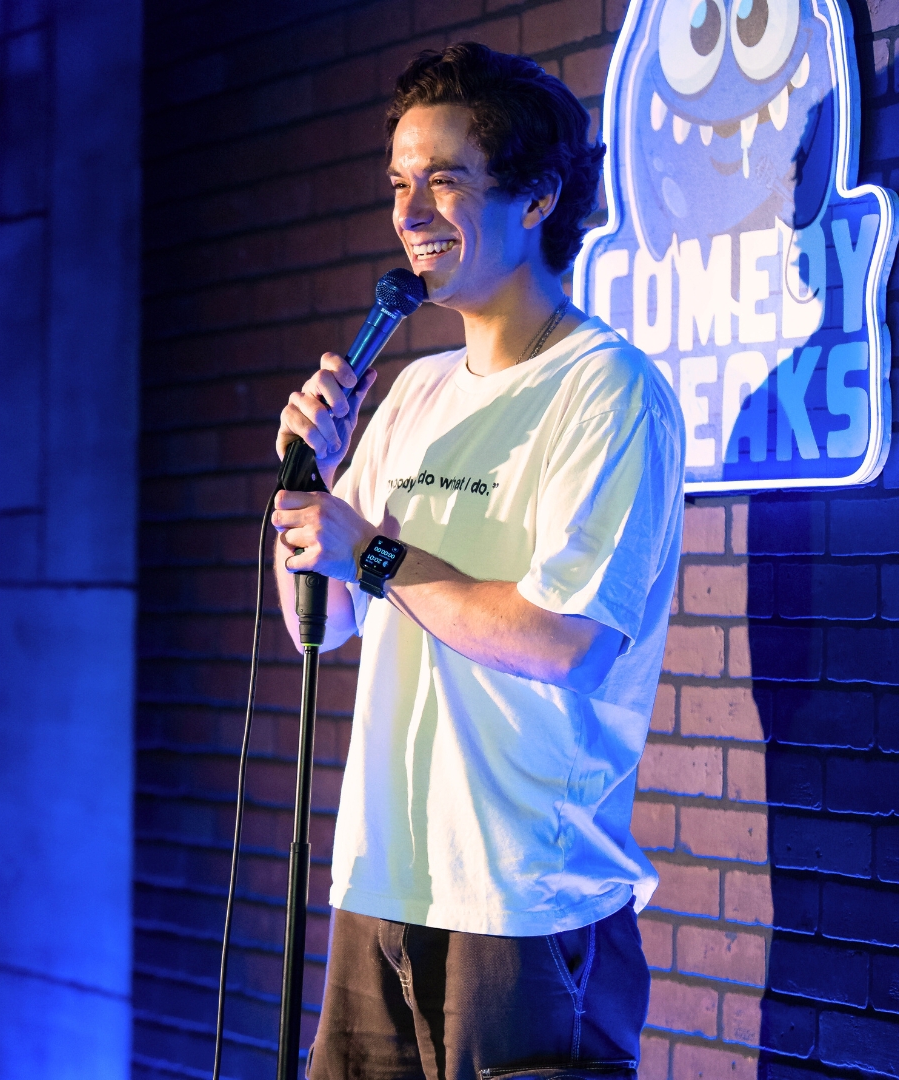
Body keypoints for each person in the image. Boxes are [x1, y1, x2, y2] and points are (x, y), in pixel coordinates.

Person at [269, 44, 684, 1078]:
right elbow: (323, 620)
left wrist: (373, 551)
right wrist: (311, 487)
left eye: (444, 182)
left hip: (526, 903)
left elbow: (568, 641)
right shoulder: (414, 391)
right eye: (398, 185)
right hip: (383, 883)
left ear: (537, 199)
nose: (411, 214)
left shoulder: (608, 390)